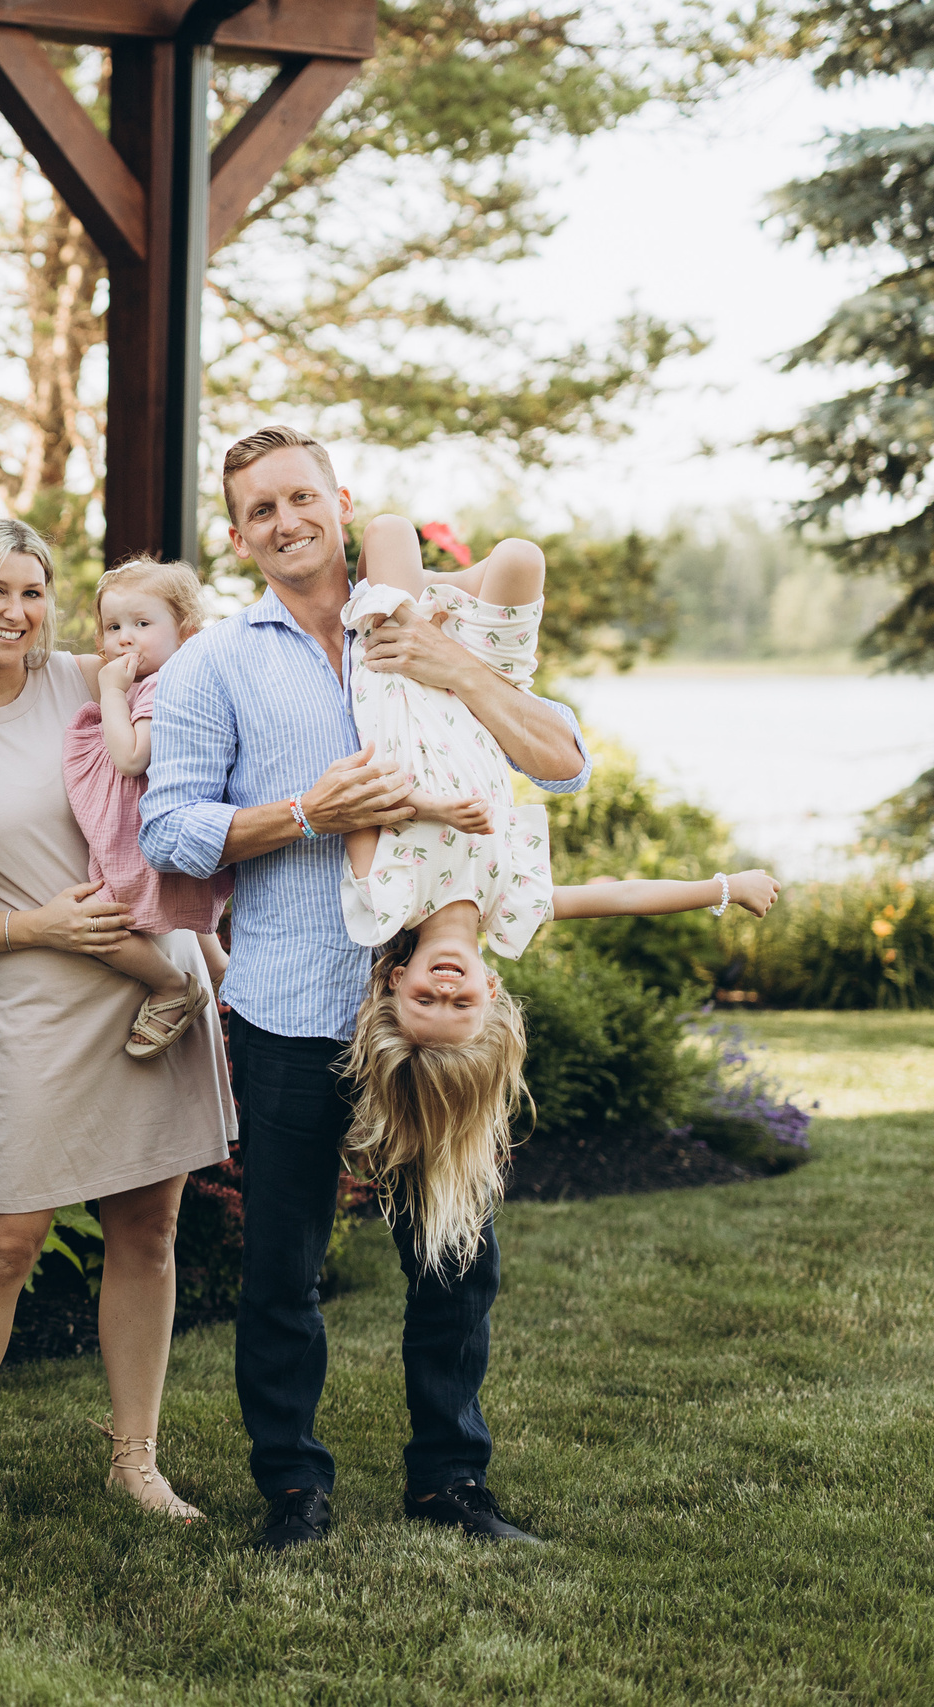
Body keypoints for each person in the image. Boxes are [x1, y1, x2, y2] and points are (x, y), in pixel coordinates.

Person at [138, 424, 592, 1553]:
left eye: (301, 498)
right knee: (282, 1270)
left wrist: (450, 665)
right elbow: (170, 832)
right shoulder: (213, 664)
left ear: (337, 501)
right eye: (259, 511)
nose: (285, 522)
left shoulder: (425, 610)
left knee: (453, 1254)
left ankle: (450, 1479)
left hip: (436, 1013)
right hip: (294, 1004)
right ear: (236, 534)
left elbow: (562, 757)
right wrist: (305, 816)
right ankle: (293, 1490)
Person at [0, 521, 235, 1525]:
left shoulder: (90, 677)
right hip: (29, 990)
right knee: (6, 1239)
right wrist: (34, 923)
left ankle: (135, 1459)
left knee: (148, 1232)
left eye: (31, 592)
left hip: (151, 981)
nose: (14, 612)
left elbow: (200, 689)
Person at [335, 512, 783, 1274]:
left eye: (425, 1004)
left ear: (393, 983)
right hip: (487, 693)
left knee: (385, 530)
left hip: (398, 676)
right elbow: (618, 894)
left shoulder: (385, 905)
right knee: (519, 560)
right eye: (461, 1006)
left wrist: (434, 810)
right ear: (490, 989)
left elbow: (357, 800)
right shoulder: (513, 913)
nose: (445, 993)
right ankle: (449, 592)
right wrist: (721, 887)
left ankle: (428, 595)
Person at [60, 557, 232, 1060]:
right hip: (146, 824)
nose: (124, 638)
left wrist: (111, 692)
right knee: (170, 907)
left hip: (142, 830)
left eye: (141, 624)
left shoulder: (166, 683)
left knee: (101, 921)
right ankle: (219, 967)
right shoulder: (153, 681)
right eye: (113, 627)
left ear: (186, 633)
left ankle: (172, 987)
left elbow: (132, 755)